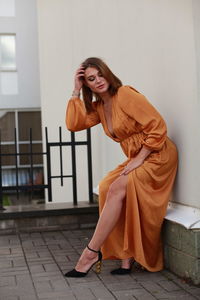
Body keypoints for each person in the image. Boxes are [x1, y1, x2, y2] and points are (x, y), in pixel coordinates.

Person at [65, 57, 178, 277]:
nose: (98, 81)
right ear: (87, 84)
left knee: (117, 189)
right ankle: (126, 258)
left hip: (158, 154)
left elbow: (157, 125)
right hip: (138, 156)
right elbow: (74, 124)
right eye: (91, 79)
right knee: (107, 187)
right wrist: (75, 91)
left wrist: (140, 158)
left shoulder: (124, 94)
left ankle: (90, 253)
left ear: (107, 73)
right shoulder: (99, 107)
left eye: (100, 74)